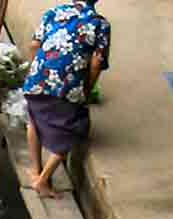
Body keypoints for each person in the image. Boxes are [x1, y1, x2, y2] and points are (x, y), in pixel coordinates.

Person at [22, 0, 111, 198]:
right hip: (66, 87)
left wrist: (40, 72)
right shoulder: (100, 24)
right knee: (75, 128)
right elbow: (97, 63)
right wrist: (86, 90)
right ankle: (43, 180)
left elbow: (34, 45)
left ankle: (35, 170)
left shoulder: (55, 12)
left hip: (36, 80)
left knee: (34, 119)